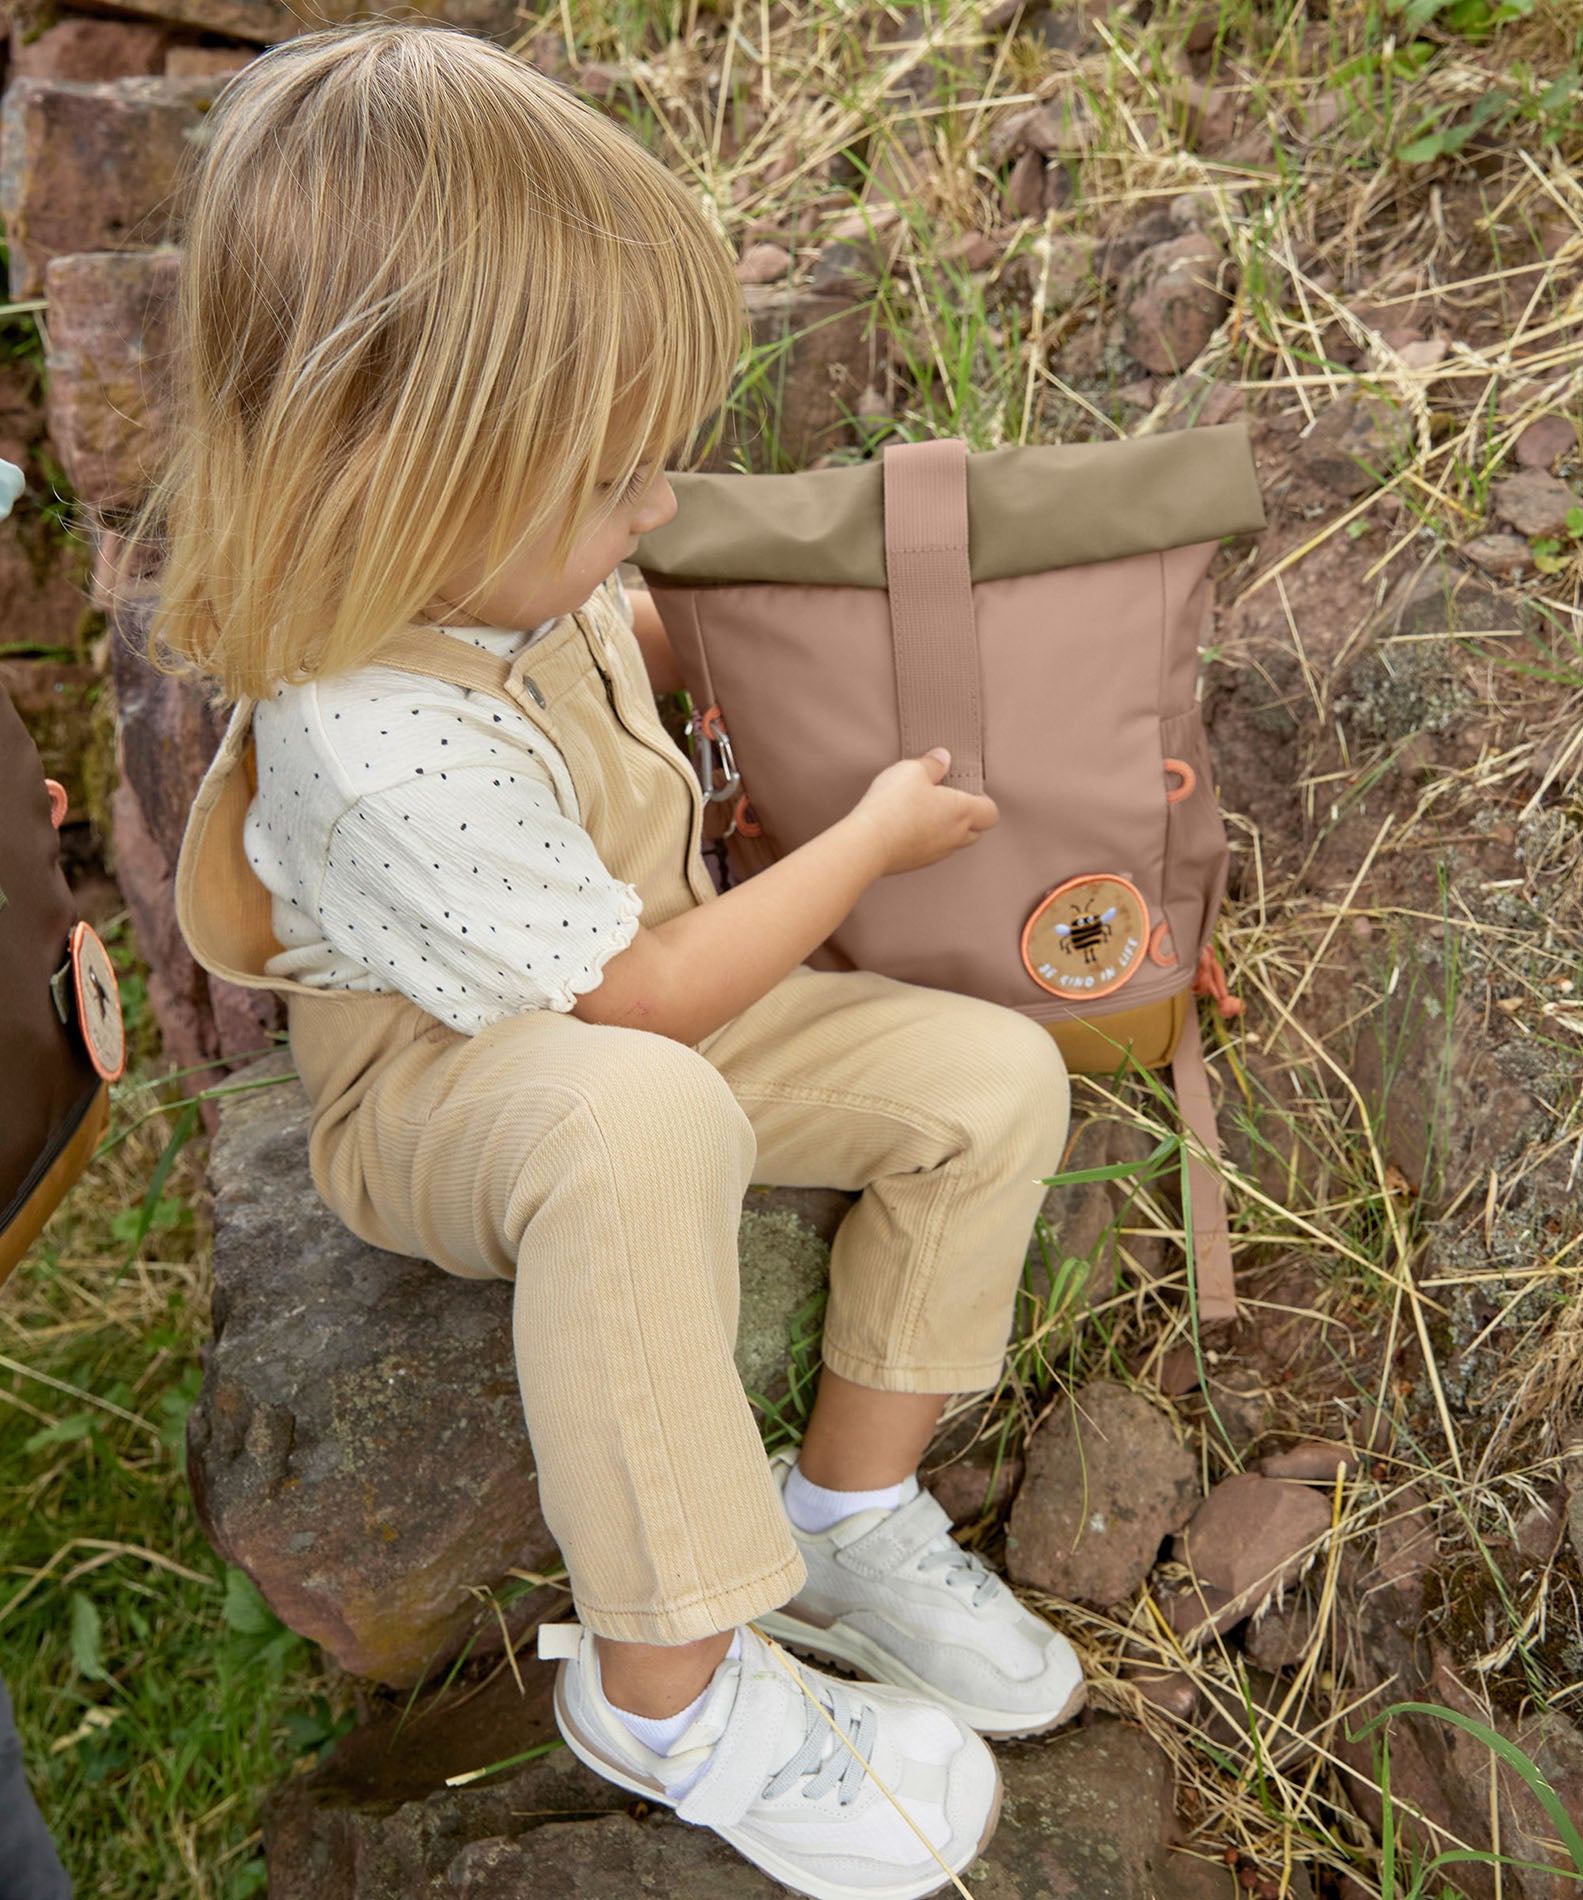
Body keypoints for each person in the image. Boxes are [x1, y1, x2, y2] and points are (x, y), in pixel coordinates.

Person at [155, 27, 1083, 1899]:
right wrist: (862, 846)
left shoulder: (498, 555)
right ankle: (665, 1687)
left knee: (990, 1079)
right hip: (456, 1086)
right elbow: (634, 1015)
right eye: (609, 481)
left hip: (640, 998)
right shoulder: (369, 722)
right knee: (637, 1114)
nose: (647, 508)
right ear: (400, 484)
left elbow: (618, 634)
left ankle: (847, 1505)